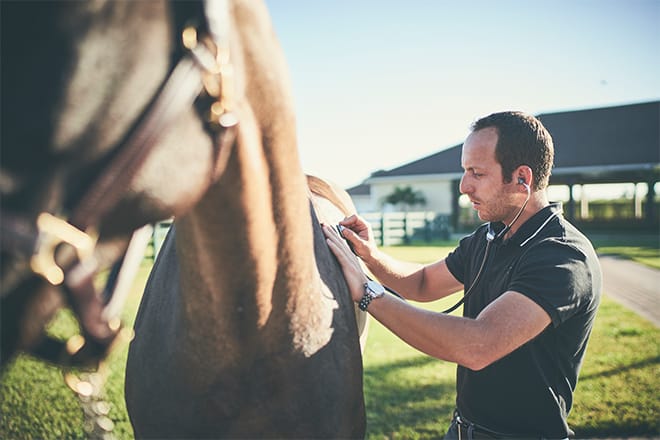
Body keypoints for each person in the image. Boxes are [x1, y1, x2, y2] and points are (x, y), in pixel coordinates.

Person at [323, 111, 601, 439]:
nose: (464, 186)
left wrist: (369, 293)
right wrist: (371, 256)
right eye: (464, 170)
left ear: (522, 178)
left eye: (477, 173)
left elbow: (478, 345)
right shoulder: (489, 237)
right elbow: (423, 283)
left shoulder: (563, 257)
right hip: (460, 430)